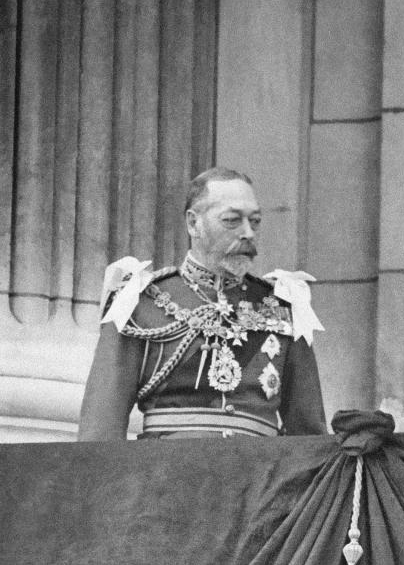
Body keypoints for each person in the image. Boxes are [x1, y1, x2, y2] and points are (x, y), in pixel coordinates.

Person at [78, 167, 326, 440]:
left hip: (262, 479)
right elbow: (100, 431)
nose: (248, 233)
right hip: (167, 476)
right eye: (232, 220)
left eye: (254, 222)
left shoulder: (285, 306)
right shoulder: (139, 302)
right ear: (193, 224)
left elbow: (309, 436)